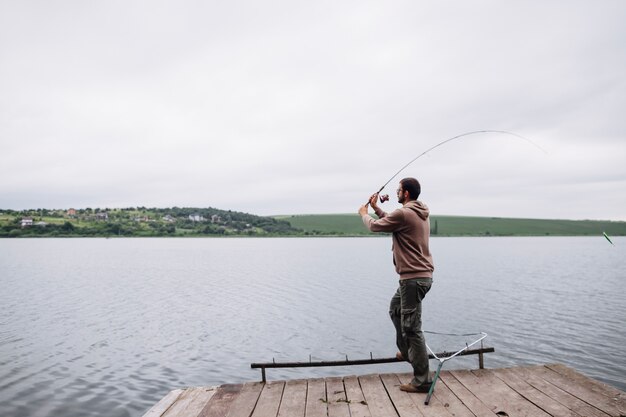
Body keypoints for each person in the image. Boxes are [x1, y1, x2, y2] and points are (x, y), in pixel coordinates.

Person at [358, 177, 434, 393]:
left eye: (399, 190)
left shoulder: (405, 213)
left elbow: (375, 227)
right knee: (395, 310)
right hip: (418, 277)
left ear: (406, 193)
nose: (397, 193)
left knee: (412, 328)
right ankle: (407, 351)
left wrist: (365, 214)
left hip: (412, 279)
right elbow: (394, 220)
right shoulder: (417, 212)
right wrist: (376, 208)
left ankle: (422, 380)